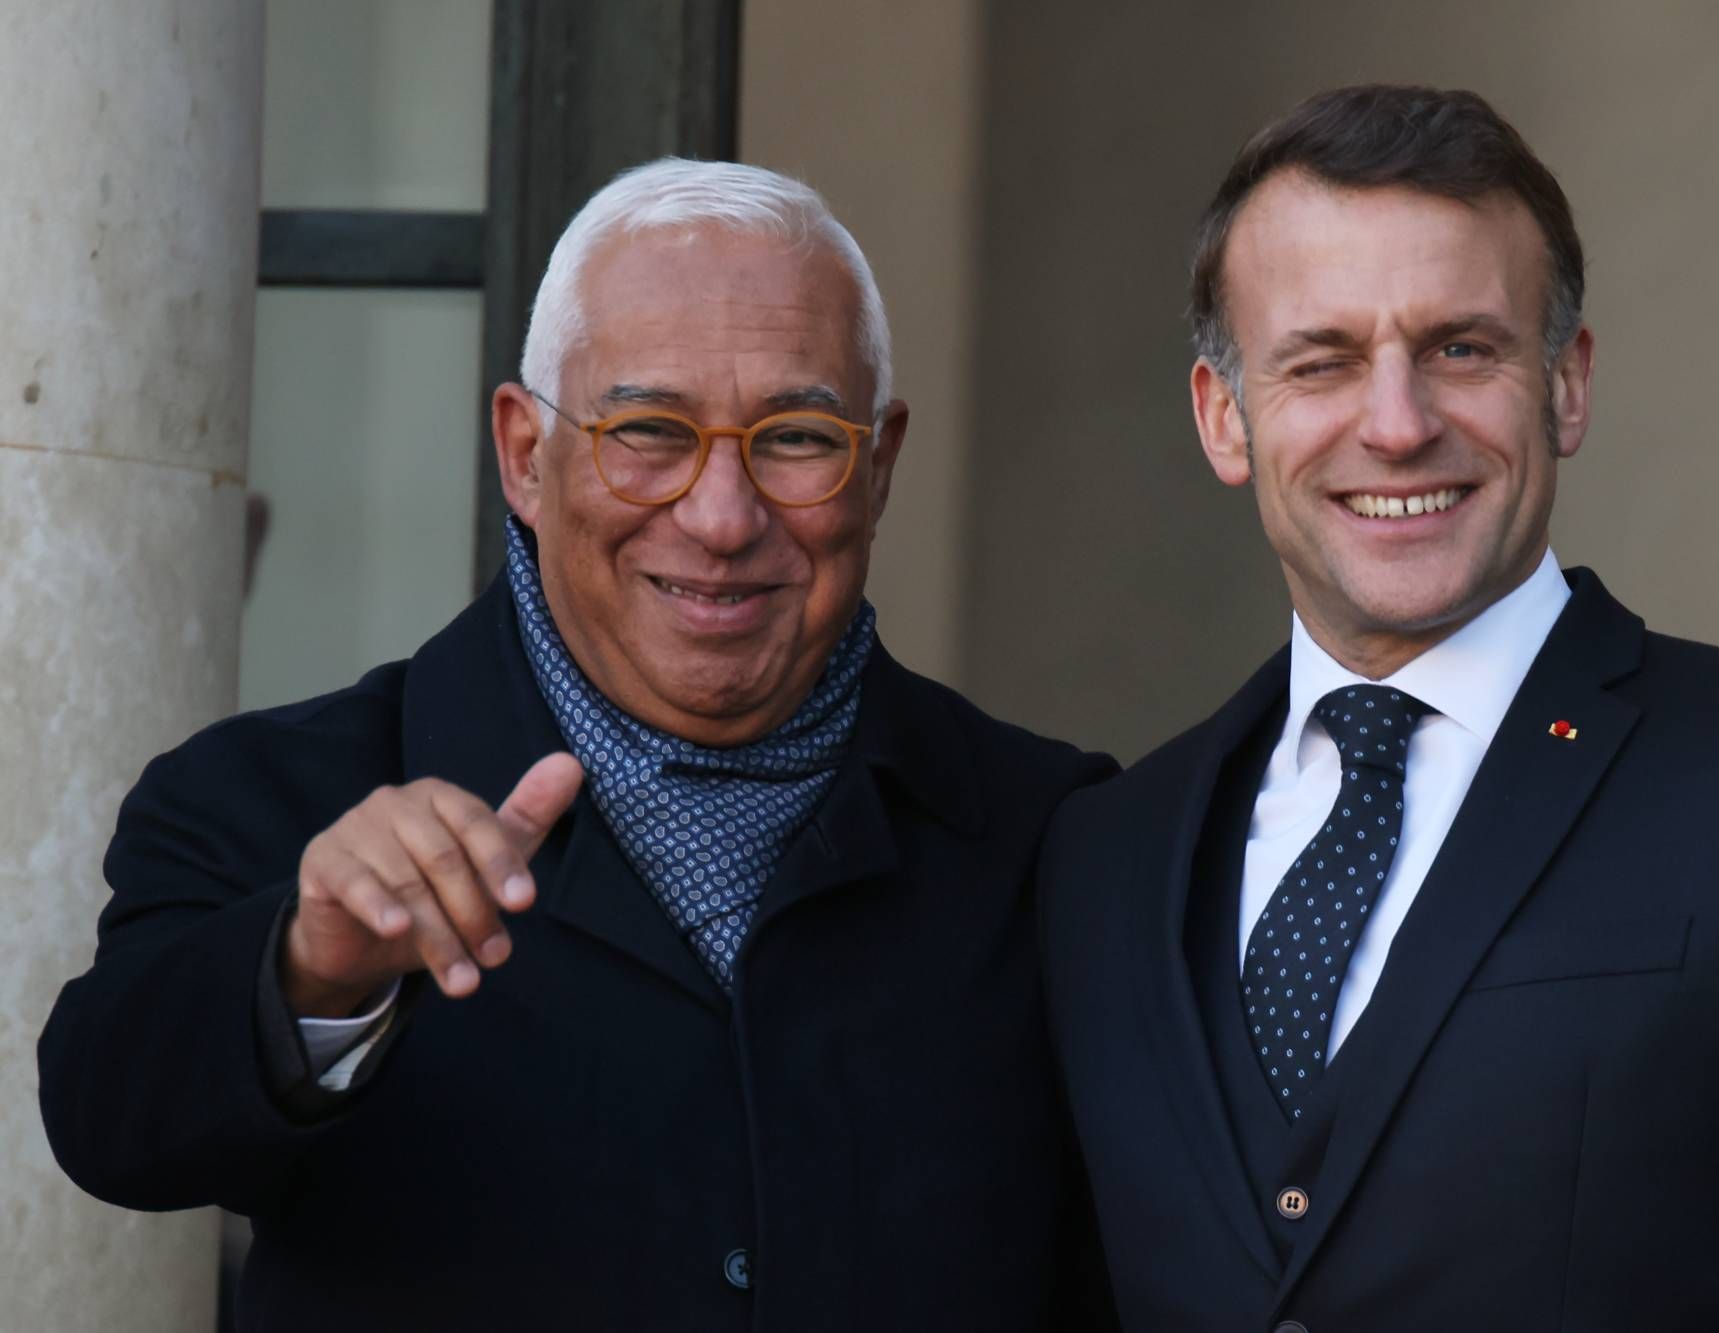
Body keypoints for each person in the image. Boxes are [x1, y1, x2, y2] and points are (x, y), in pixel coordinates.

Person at [41, 159, 1114, 1332]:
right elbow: (107, 1123)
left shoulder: (1058, 844)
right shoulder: (279, 800)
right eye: (647, 430)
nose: (721, 517)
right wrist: (311, 972)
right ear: (523, 453)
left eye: (797, 437)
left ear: (880, 465)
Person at [1039, 84, 1719, 1331]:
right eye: (1321, 362)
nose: (1396, 426)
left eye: (1460, 349)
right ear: (1224, 418)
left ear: (1565, 385)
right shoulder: (1106, 857)